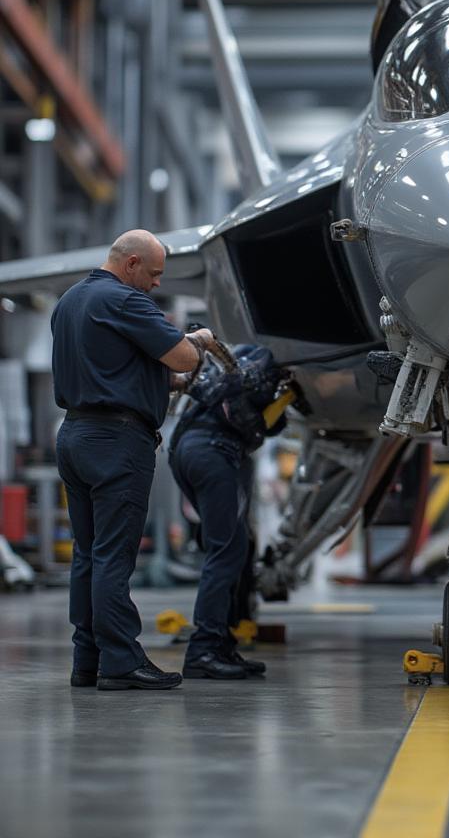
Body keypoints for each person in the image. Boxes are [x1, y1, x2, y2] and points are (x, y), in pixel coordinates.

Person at [51, 230, 214, 690]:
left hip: (75, 434)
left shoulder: (69, 302)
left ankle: (88, 659)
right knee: (112, 556)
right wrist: (198, 339)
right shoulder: (125, 301)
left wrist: (157, 382)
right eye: (155, 274)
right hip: (116, 442)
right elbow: (182, 358)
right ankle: (121, 661)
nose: (156, 284)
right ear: (131, 264)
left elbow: (110, 367)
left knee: (87, 553)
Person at [169, 345, 291, 680]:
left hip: (188, 449)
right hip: (213, 451)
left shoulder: (237, 362)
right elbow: (270, 425)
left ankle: (220, 644)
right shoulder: (265, 365)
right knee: (228, 549)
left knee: (228, 545)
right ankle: (204, 650)